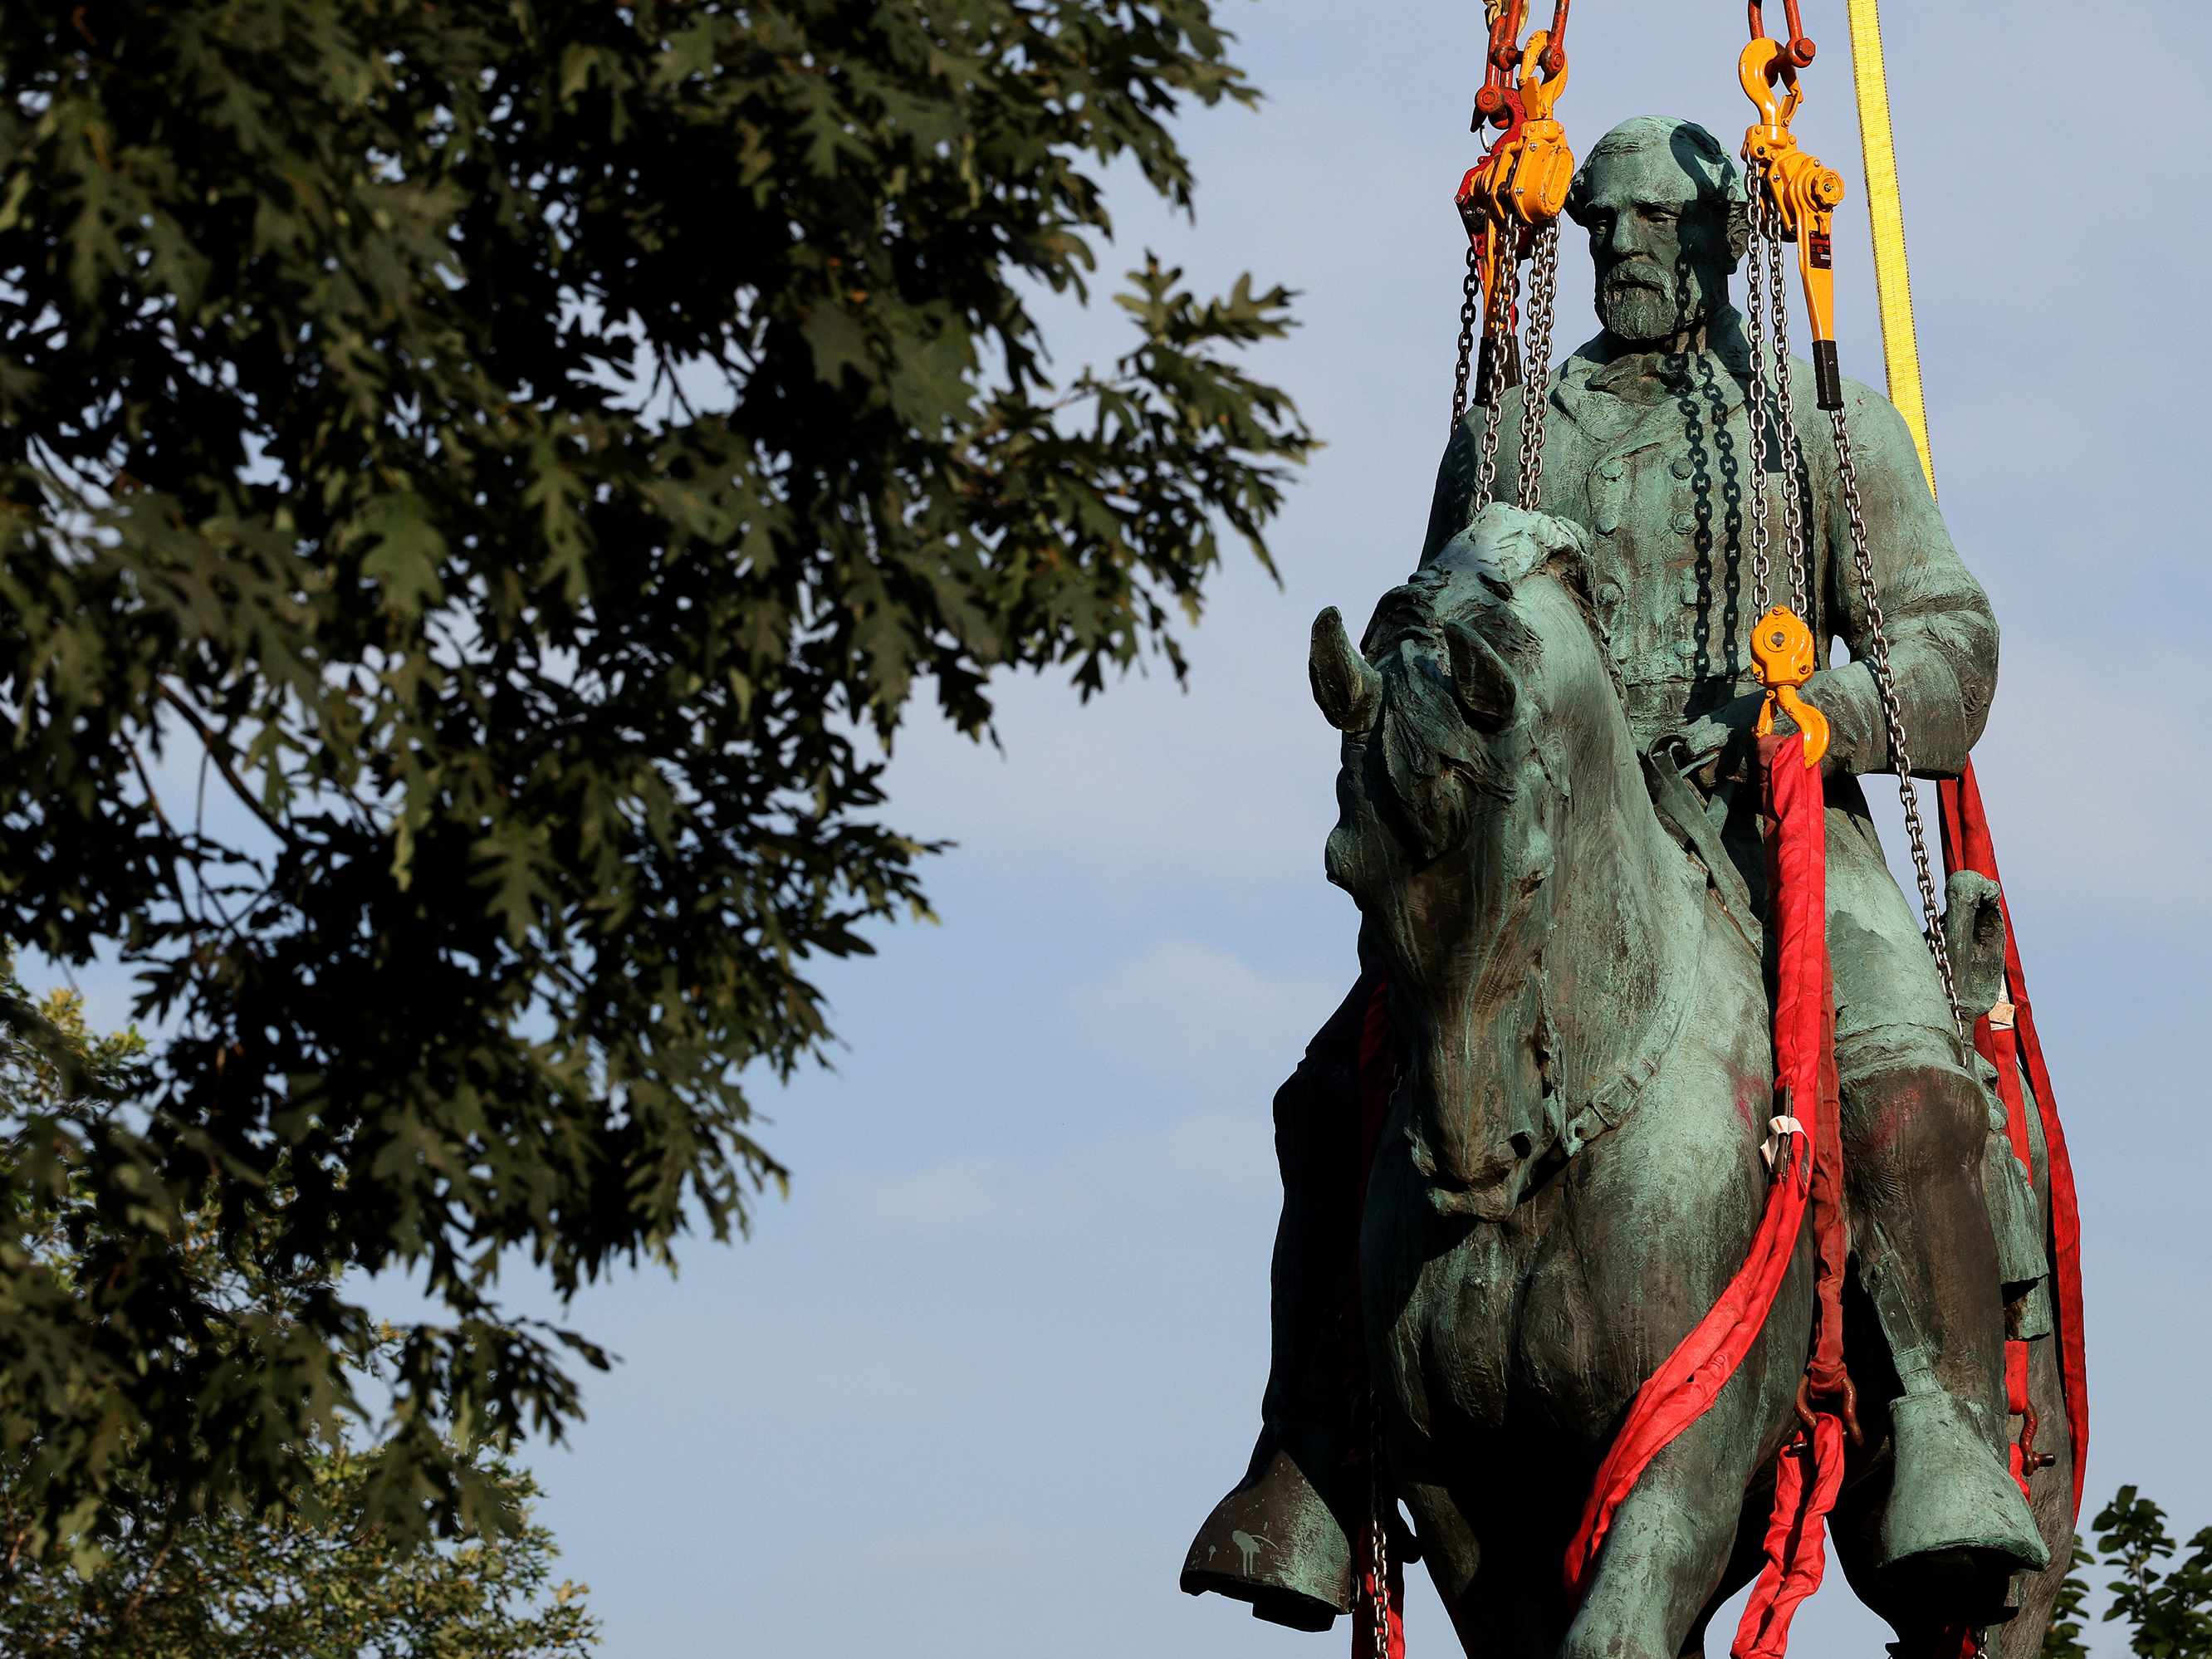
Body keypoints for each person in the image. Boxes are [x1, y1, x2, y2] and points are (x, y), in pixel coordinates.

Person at [1182, 115, 2051, 1642]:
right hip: (1547, 839)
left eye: (1662, 224)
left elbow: (1951, 645)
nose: (1628, 251)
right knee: (1332, 1100)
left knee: (1906, 1086)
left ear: (1730, 237)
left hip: (1769, 813)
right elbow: (1445, 634)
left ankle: (1947, 1435)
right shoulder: (1512, 432)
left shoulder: (1817, 425)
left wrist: (1824, 711)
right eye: (1603, 224)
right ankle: (1306, 1453)